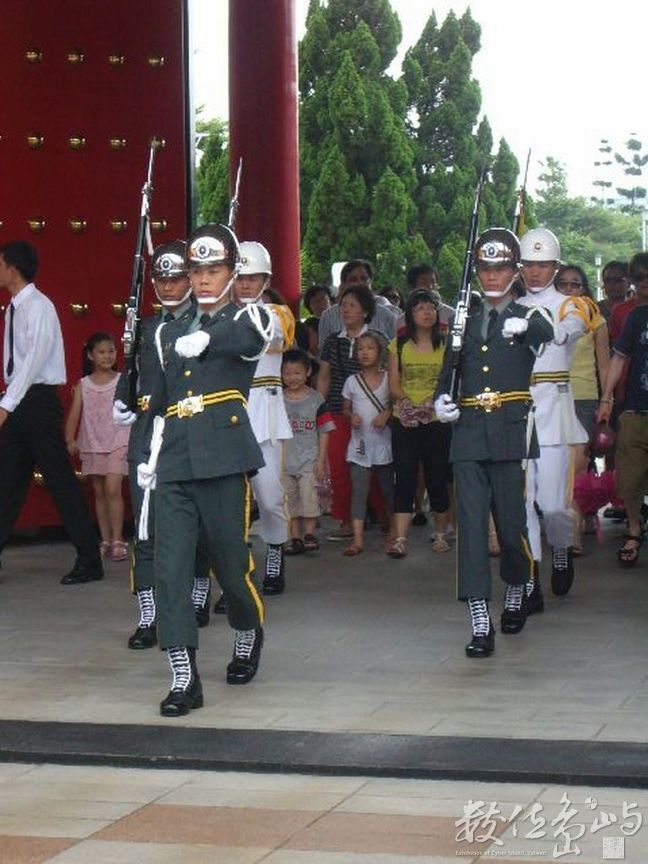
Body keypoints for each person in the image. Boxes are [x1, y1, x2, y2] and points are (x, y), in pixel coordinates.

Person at [137, 223, 272, 717]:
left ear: (233, 271)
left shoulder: (247, 315)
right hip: (174, 459)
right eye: (198, 269)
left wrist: (208, 338)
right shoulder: (167, 332)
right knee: (170, 571)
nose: (205, 278)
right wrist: (149, 454)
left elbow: (254, 337)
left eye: (215, 269)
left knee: (231, 569)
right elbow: (162, 400)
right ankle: (183, 676)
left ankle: (247, 631)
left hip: (222, 456)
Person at [434, 228, 553, 658]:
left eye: (501, 267)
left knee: (510, 523)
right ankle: (480, 617)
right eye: (485, 268)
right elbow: (449, 370)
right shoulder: (463, 318)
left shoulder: (529, 312)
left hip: (508, 428)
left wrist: (524, 327)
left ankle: (519, 584)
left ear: (514, 271)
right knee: (470, 526)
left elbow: (545, 332)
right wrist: (441, 402)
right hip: (468, 432)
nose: (491, 275)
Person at [113, 240, 213, 650]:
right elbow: (133, 369)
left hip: (191, 436)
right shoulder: (147, 326)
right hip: (148, 439)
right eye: (161, 278)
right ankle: (149, 612)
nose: (167, 286)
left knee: (198, 526)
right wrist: (123, 396)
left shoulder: (206, 324)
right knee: (145, 529)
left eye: (175, 278)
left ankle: (196, 593)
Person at [0, 240, 103, 585]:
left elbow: (32, 364)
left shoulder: (39, 306)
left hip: (38, 402)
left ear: (12, 267)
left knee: (60, 482)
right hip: (20, 401)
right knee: (6, 482)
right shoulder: (14, 307)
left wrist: (5, 405)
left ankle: (90, 559)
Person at [517, 228, 594, 599]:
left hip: (554, 413)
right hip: (517, 410)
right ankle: (530, 579)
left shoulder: (569, 304)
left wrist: (554, 331)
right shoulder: (509, 307)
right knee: (523, 500)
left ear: (555, 266)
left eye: (543, 264)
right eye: (529, 265)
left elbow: (574, 326)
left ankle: (561, 549)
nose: (535, 272)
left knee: (552, 505)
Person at [232, 241, 295, 595]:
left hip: (266, 415)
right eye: (239, 276)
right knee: (231, 504)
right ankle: (237, 574)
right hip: (230, 414)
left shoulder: (277, 313)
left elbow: (271, 333)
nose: (244, 284)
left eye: (252, 277)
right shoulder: (218, 313)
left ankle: (274, 548)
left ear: (265, 279)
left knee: (269, 497)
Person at [387, 289, 451, 559]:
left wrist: (430, 403)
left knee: (438, 476)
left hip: (437, 419)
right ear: (409, 315)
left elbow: (450, 381)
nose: (427, 313)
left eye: (431, 308)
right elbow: (393, 383)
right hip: (405, 420)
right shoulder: (398, 345)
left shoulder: (447, 344)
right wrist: (409, 404)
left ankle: (440, 534)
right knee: (404, 476)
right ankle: (400, 538)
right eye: (420, 308)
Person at [597, 252, 648, 567]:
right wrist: (606, 399)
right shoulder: (635, 317)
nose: (645, 285)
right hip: (636, 407)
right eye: (640, 279)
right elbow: (618, 357)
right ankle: (633, 527)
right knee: (628, 478)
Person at [555, 264, 609, 551]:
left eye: (575, 284)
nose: (568, 288)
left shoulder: (595, 319)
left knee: (576, 466)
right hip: (550, 397)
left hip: (585, 397)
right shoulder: (545, 316)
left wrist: (606, 400)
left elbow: (604, 364)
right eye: (562, 283)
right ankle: (565, 533)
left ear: (584, 288)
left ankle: (571, 535)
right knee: (555, 467)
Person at [65, 332, 130, 561]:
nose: (107, 356)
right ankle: (105, 539)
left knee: (113, 488)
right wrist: (70, 438)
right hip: (92, 440)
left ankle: (119, 538)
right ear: (91, 355)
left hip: (118, 439)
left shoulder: (123, 380)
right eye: (102, 352)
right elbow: (75, 413)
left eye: (111, 351)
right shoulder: (83, 384)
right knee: (100, 493)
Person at [317, 283, 374, 540]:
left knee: (374, 464)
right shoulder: (332, 341)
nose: (346, 311)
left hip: (370, 413)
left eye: (352, 305)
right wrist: (319, 407)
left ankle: (378, 514)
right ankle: (346, 519)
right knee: (339, 467)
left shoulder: (376, 341)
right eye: (343, 306)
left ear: (365, 311)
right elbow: (325, 376)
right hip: (338, 411)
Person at [341, 331, 393, 556]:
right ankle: (358, 539)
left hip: (385, 442)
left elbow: (397, 403)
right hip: (360, 442)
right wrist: (350, 416)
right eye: (360, 349)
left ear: (380, 352)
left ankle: (393, 533)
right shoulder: (352, 381)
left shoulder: (389, 378)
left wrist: (387, 414)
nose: (364, 353)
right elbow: (345, 407)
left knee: (389, 490)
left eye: (370, 348)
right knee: (359, 491)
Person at [281, 348, 334, 554]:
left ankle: (309, 533)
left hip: (309, 459)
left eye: (297, 373)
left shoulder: (316, 400)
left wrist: (321, 460)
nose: (292, 378)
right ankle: (294, 537)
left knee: (309, 496)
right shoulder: (277, 400)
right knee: (289, 500)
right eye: (287, 373)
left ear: (308, 372)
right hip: (285, 460)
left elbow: (325, 431)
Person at [318, 260, 398, 345]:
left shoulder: (387, 316)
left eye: (364, 279)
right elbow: (324, 353)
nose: (360, 283)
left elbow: (395, 352)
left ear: (370, 282)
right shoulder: (328, 317)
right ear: (344, 284)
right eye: (353, 280)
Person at [598, 260, 629, 326]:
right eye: (607, 280)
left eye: (617, 280)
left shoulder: (635, 310)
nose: (611, 284)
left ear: (629, 282)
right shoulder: (594, 310)